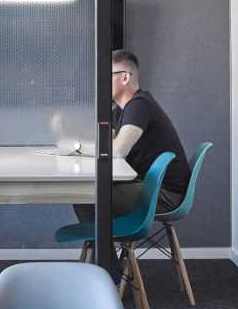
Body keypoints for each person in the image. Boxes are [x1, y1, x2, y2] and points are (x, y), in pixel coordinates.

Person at [75, 49, 190, 223]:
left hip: (163, 194)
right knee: (85, 192)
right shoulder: (123, 110)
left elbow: (119, 150)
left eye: (107, 75)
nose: (101, 82)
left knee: (84, 195)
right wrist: (72, 134)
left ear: (125, 78)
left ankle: (102, 249)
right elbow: (105, 138)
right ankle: (104, 248)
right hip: (150, 187)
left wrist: (77, 149)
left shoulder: (139, 105)